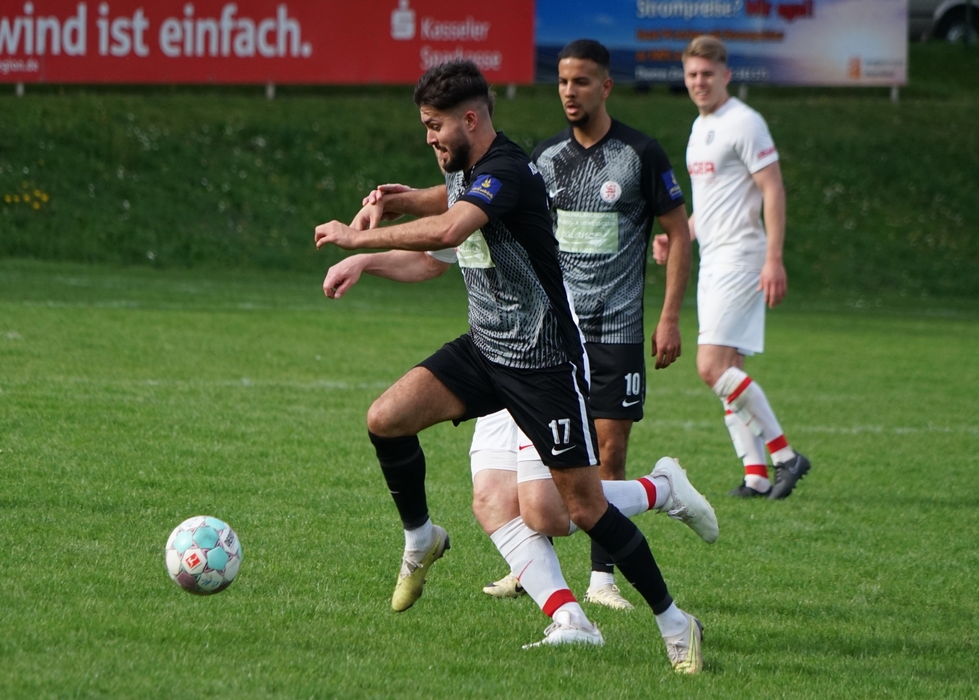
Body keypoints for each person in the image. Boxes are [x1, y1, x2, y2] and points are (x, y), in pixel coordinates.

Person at [316, 60, 704, 673]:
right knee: (386, 418)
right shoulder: (465, 171)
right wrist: (382, 224)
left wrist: (355, 239)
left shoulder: (506, 171)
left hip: (544, 363)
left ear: (470, 119)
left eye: (435, 125)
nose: (429, 137)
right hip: (485, 351)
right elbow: (434, 247)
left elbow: (448, 228)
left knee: (580, 509)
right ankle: (422, 538)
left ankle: (676, 623)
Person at [480, 38, 695, 611]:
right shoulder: (545, 156)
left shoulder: (640, 154)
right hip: (553, 331)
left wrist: (670, 316)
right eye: (562, 82)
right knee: (543, 453)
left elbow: (678, 233)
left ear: (606, 86)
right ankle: (533, 565)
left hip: (617, 327)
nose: (569, 92)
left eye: (581, 82)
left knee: (608, 449)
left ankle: (603, 580)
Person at [652, 35, 811, 499]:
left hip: (741, 257)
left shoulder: (745, 121)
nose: (699, 82)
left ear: (726, 75)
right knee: (729, 367)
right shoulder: (700, 127)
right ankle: (757, 474)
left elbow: (772, 189)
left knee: (710, 366)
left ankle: (785, 456)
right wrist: (679, 236)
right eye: (692, 74)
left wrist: (774, 258)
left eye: (707, 74)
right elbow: (711, 205)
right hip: (713, 256)